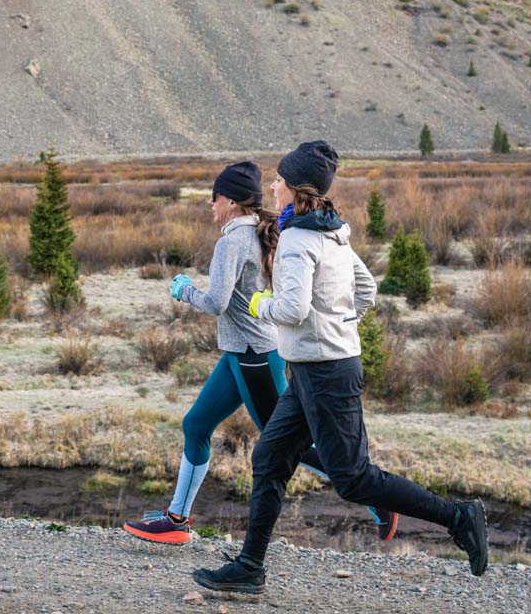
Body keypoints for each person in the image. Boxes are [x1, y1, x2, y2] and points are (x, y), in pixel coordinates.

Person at [192, 141, 489, 594]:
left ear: (295, 188)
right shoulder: (332, 231)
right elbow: (366, 290)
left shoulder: (297, 239)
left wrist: (257, 304)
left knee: (353, 479)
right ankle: (250, 567)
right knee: (269, 458)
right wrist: (337, 327)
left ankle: (458, 516)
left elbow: (291, 310)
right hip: (312, 370)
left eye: (279, 180)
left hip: (325, 373)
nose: (272, 186)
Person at [124, 161, 394, 546]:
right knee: (196, 426)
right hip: (242, 353)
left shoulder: (232, 241)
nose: (211, 205)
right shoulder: (260, 230)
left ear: (232, 202)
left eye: (215, 197)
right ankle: (176, 520)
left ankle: (375, 495)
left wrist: (183, 291)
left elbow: (216, 303)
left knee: (287, 443)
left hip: (255, 356)